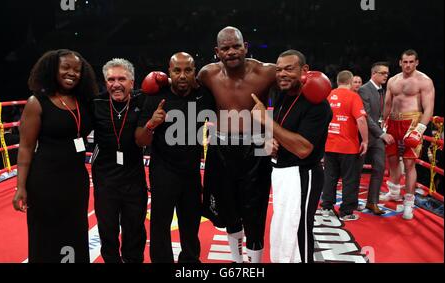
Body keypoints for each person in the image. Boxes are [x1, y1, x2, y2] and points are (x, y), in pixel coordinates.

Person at [197, 26, 276, 263]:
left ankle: (253, 265)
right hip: (221, 150)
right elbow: (182, 88)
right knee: (228, 211)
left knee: (255, 212)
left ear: (245, 47)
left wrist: (275, 134)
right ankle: (237, 261)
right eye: (226, 48)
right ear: (217, 52)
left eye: (236, 46)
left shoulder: (267, 72)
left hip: (256, 150)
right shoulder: (207, 74)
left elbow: (293, 92)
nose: (231, 52)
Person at [12, 49, 98, 262]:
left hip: (76, 181)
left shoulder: (84, 101)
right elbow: (25, 148)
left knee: (76, 231)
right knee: (46, 235)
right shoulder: (37, 102)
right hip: (45, 182)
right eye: (65, 68)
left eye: (77, 70)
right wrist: (20, 186)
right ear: (53, 70)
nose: (72, 73)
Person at [251, 49, 332, 263]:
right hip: (282, 173)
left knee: (298, 233)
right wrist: (269, 141)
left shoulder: (318, 104)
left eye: (289, 69)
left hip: (303, 175)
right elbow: (279, 130)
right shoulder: (283, 95)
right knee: (282, 233)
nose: (282, 74)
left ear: (304, 70)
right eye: (278, 70)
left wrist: (266, 121)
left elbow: (303, 149)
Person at [136, 52, 215, 263]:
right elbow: (140, 140)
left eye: (187, 70)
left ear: (194, 73)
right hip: (163, 171)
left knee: (191, 224)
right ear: (169, 72)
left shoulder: (204, 95)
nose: (182, 75)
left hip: (190, 172)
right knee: (160, 224)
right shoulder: (155, 96)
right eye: (177, 70)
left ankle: (189, 263)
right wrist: (152, 123)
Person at [91, 58, 148, 263]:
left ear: (132, 82)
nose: (116, 84)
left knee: (134, 228)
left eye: (122, 79)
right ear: (105, 82)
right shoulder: (96, 104)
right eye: (111, 79)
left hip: (134, 177)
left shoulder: (143, 101)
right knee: (107, 229)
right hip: (105, 178)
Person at [382, 49, 435, 220]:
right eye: (405, 62)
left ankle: (408, 203)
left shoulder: (424, 81)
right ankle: (394, 191)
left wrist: (419, 130)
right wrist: (383, 122)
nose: (408, 65)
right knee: (391, 159)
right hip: (392, 122)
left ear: (417, 62)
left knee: (409, 163)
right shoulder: (393, 80)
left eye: (411, 62)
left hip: (411, 122)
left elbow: (428, 109)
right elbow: (388, 103)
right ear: (400, 62)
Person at [321, 70, 368, 221]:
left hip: (329, 145)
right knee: (350, 179)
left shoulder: (327, 96)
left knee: (330, 176)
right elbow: (361, 120)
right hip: (348, 146)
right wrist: (365, 141)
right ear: (350, 81)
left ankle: (327, 207)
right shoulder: (353, 96)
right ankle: (346, 212)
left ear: (337, 81)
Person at [357, 62, 394, 215]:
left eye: (387, 73)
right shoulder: (364, 90)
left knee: (379, 168)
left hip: (377, 136)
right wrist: (382, 133)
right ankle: (351, 202)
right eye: (383, 73)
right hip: (364, 136)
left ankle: (372, 202)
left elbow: (379, 115)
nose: (386, 75)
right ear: (374, 74)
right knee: (356, 170)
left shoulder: (381, 91)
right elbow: (365, 116)